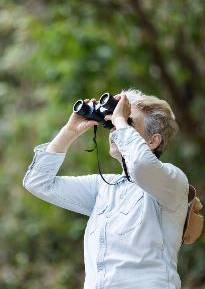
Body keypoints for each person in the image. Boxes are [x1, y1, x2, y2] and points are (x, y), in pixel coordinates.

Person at [22, 88, 189, 289]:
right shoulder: (104, 187)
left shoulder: (172, 180)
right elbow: (38, 182)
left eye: (129, 122)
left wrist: (119, 120)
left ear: (153, 141)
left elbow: (143, 166)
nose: (115, 129)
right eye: (112, 123)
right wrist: (69, 131)